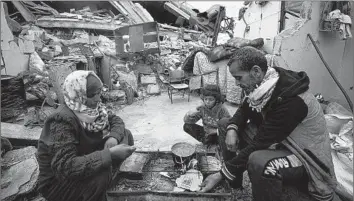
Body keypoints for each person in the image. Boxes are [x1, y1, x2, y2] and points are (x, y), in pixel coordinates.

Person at [199, 47, 338, 201]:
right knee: (225, 124)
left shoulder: (293, 101)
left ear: (256, 71)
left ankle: (231, 176)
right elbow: (244, 110)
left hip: (304, 156)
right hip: (278, 141)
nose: (237, 84)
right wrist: (232, 129)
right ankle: (234, 184)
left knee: (259, 161)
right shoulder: (263, 86)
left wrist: (220, 174)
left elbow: (261, 142)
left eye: (239, 78)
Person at [37, 70, 136, 201]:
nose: (98, 98)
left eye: (99, 93)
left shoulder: (92, 108)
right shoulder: (61, 120)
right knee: (101, 175)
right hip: (58, 181)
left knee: (125, 134)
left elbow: (116, 120)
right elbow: (66, 166)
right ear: (78, 94)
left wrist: (113, 137)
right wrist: (109, 154)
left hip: (83, 156)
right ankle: (97, 187)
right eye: (92, 95)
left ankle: (106, 177)